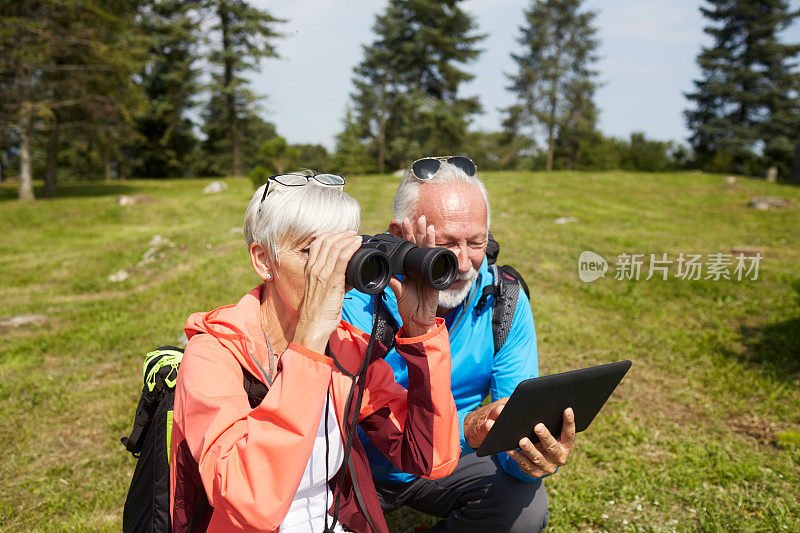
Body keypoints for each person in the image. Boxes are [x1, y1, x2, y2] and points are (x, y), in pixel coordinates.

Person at [169, 170, 461, 533]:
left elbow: (430, 458)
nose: (331, 270)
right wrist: (307, 348)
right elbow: (249, 503)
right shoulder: (212, 357)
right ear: (263, 260)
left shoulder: (346, 350)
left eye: (342, 252)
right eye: (312, 251)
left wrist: (421, 334)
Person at [342, 157, 576, 532]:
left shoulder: (503, 299)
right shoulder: (355, 302)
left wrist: (531, 458)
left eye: (477, 242)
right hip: (357, 466)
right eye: (446, 244)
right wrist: (465, 430)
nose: (465, 263)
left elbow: (513, 417)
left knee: (523, 511)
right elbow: (360, 427)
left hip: (451, 459)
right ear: (399, 234)